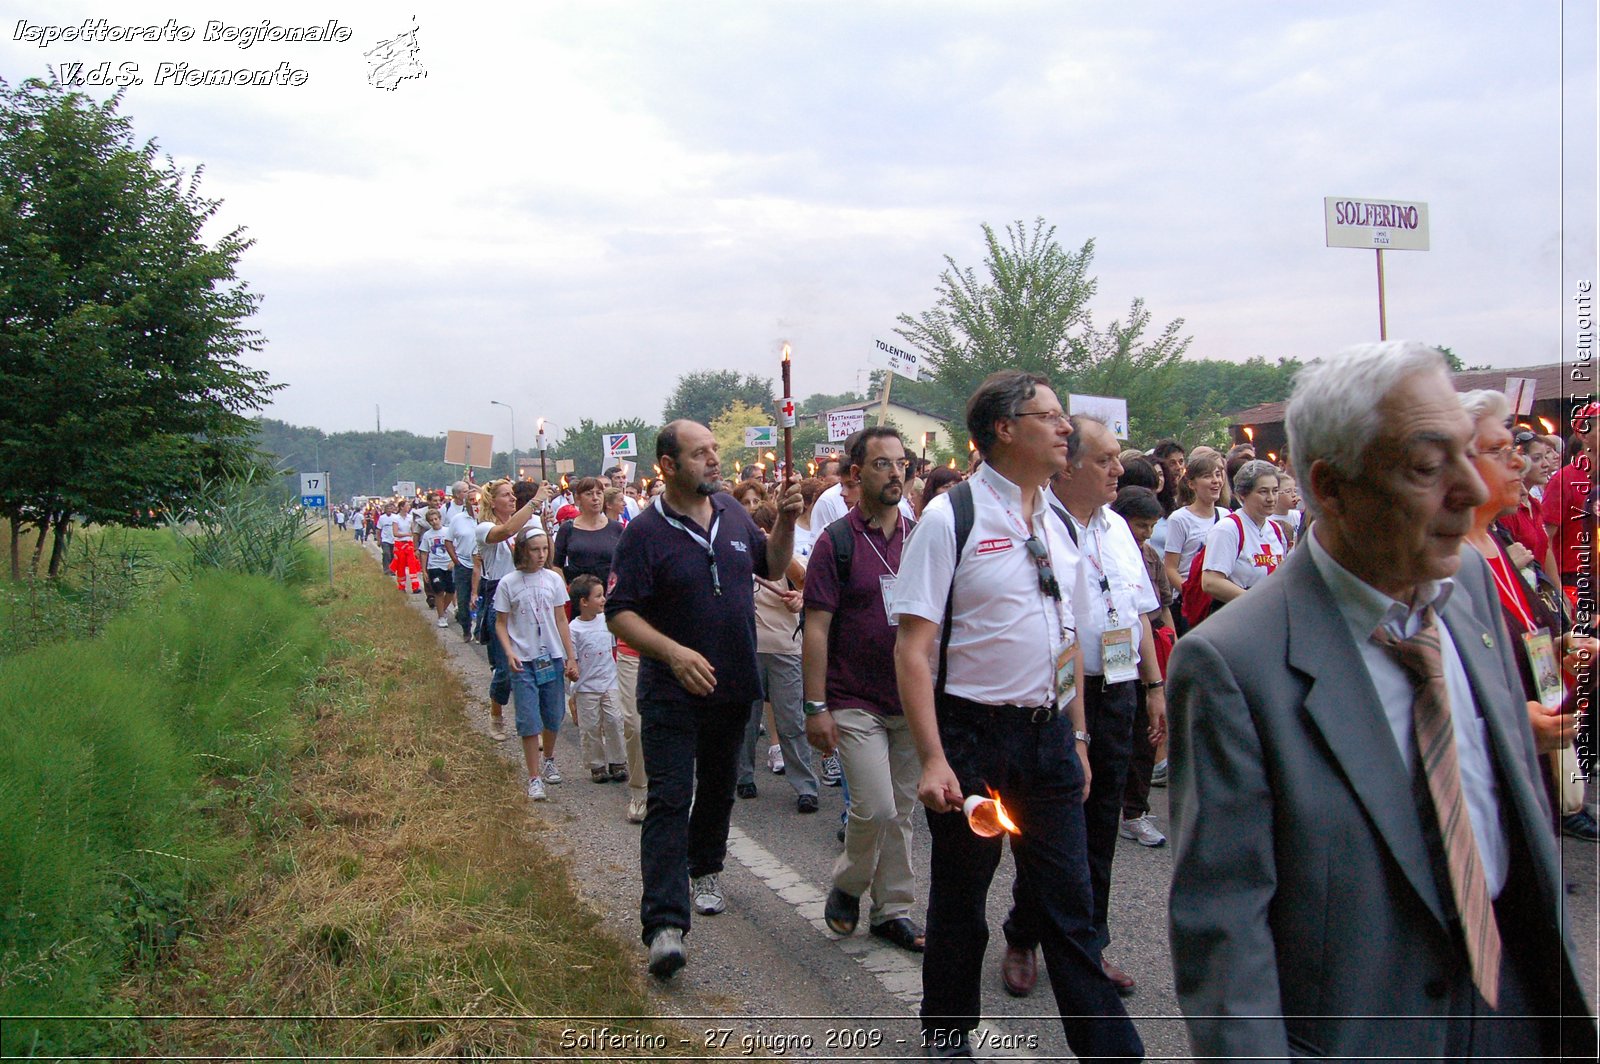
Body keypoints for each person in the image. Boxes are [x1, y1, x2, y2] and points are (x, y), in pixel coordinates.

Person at [1167, 341, 1595, 1060]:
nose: (1468, 487)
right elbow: (1224, 940)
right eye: (1427, 467)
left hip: (1517, 1019)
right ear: (1332, 487)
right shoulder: (1231, 665)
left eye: (1469, 453)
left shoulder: (1469, 583)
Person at [893, 371, 1141, 1061]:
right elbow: (913, 648)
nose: (1066, 427)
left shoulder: (1060, 520)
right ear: (1004, 429)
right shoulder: (954, 518)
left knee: (1071, 907)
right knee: (962, 901)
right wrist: (935, 756)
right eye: (1050, 415)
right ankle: (948, 1034)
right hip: (973, 739)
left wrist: (1080, 734)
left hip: (1050, 739)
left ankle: (1113, 1053)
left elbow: (1065, 636)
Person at [605, 420, 801, 979]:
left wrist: (786, 520)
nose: (714, 460)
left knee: (717, 789)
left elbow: (771, 565)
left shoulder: (734, 514)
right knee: (670, 798)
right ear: (667, 465)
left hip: (734, 683)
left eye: (715, 450)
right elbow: (620, 611)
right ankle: (665, 924)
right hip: (671, 690)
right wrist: (673, 653)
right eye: (700, 453)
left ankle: (706, 867)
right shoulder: (643, 532)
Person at [1000, 415, 1166, 999]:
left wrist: (1152, 688)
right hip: (1060, 697)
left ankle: (1090, 945)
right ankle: (1023, 934)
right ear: (1068, 465)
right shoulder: (1038, 527)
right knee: (1049, 824)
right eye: (1105, 460)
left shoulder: (1118, 527)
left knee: (1098, 827)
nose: (1119, 470)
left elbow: (1138, 613)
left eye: (1119, 459)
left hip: (1117, 691)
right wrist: (1074, 724)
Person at [803, 426, 926, 953]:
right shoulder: (838, 542)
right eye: (882, 464)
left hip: (912, 699)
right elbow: (816, 627)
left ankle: (893, 909)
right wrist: (815, 707)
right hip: (854, 699)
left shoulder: (923, 536)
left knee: (903, 811)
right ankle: (849, 885)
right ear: (857, 474)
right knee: (874, 807)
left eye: (902, 464)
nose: (895, 473)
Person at [495, 528, 578, 800]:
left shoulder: (553, 579)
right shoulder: (509, 582)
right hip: (524, 659)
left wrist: (570, 655)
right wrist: (509, 652)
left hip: (550, 657)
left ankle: (550, 758)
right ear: (522, 551)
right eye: (535, 549)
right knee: (529, 718)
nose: (541, 555)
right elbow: (501, 622)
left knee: (553, 713)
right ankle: (533, 776)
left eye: (545, 549)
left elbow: (561, 619)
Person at [1197, 459, 1287, 610]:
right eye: (1263, 491)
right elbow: (1210, 582)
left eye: (1275, 491)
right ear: (1242, 494)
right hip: (1237, 614)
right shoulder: (1228, 529)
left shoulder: (1276, 529)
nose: (1271, 498)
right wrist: (1257, 602)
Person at [568, 574, 628, 784]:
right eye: (599, 596)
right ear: (584, 602)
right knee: (591, 726)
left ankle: (618, 761)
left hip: (610, 681)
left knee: (614, 720)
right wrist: (572, 673)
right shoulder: (574, 629)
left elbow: (614, 648)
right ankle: (596, 765)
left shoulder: (607, 621)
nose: (603, 600)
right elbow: (572, 658)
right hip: (587, 686)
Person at [1162, 452, 1229, 605]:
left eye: (1217, 475)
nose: (1215, 481)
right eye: (1207, 476)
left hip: (1219, 597)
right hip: (1192, 600)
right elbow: (1170, 568)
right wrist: (1190, 595)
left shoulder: (1226, 516)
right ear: (1192, 484)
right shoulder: (1179, 519)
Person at [552, 476, 625, 595]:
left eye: (599, 493)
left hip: (610, 595)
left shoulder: (616, 528)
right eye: (589, 494)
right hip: (579, 597)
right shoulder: (568, 529)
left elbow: (625, 563)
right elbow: (556, 565)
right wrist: (566, 590)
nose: (595, 498)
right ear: (578, 498)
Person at [418, 508, 458, 627]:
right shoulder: (427, 535)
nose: (434, 522)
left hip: (448, 564)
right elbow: (424, 553)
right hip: (434, 566)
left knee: (451, 591)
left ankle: (443, 609)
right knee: (439, 591)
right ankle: (441, 617)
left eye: (436, 519)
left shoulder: (448, 531)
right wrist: (424, 570)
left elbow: (456, 547)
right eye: (431, 520)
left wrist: (453, 560)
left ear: (440, 519)